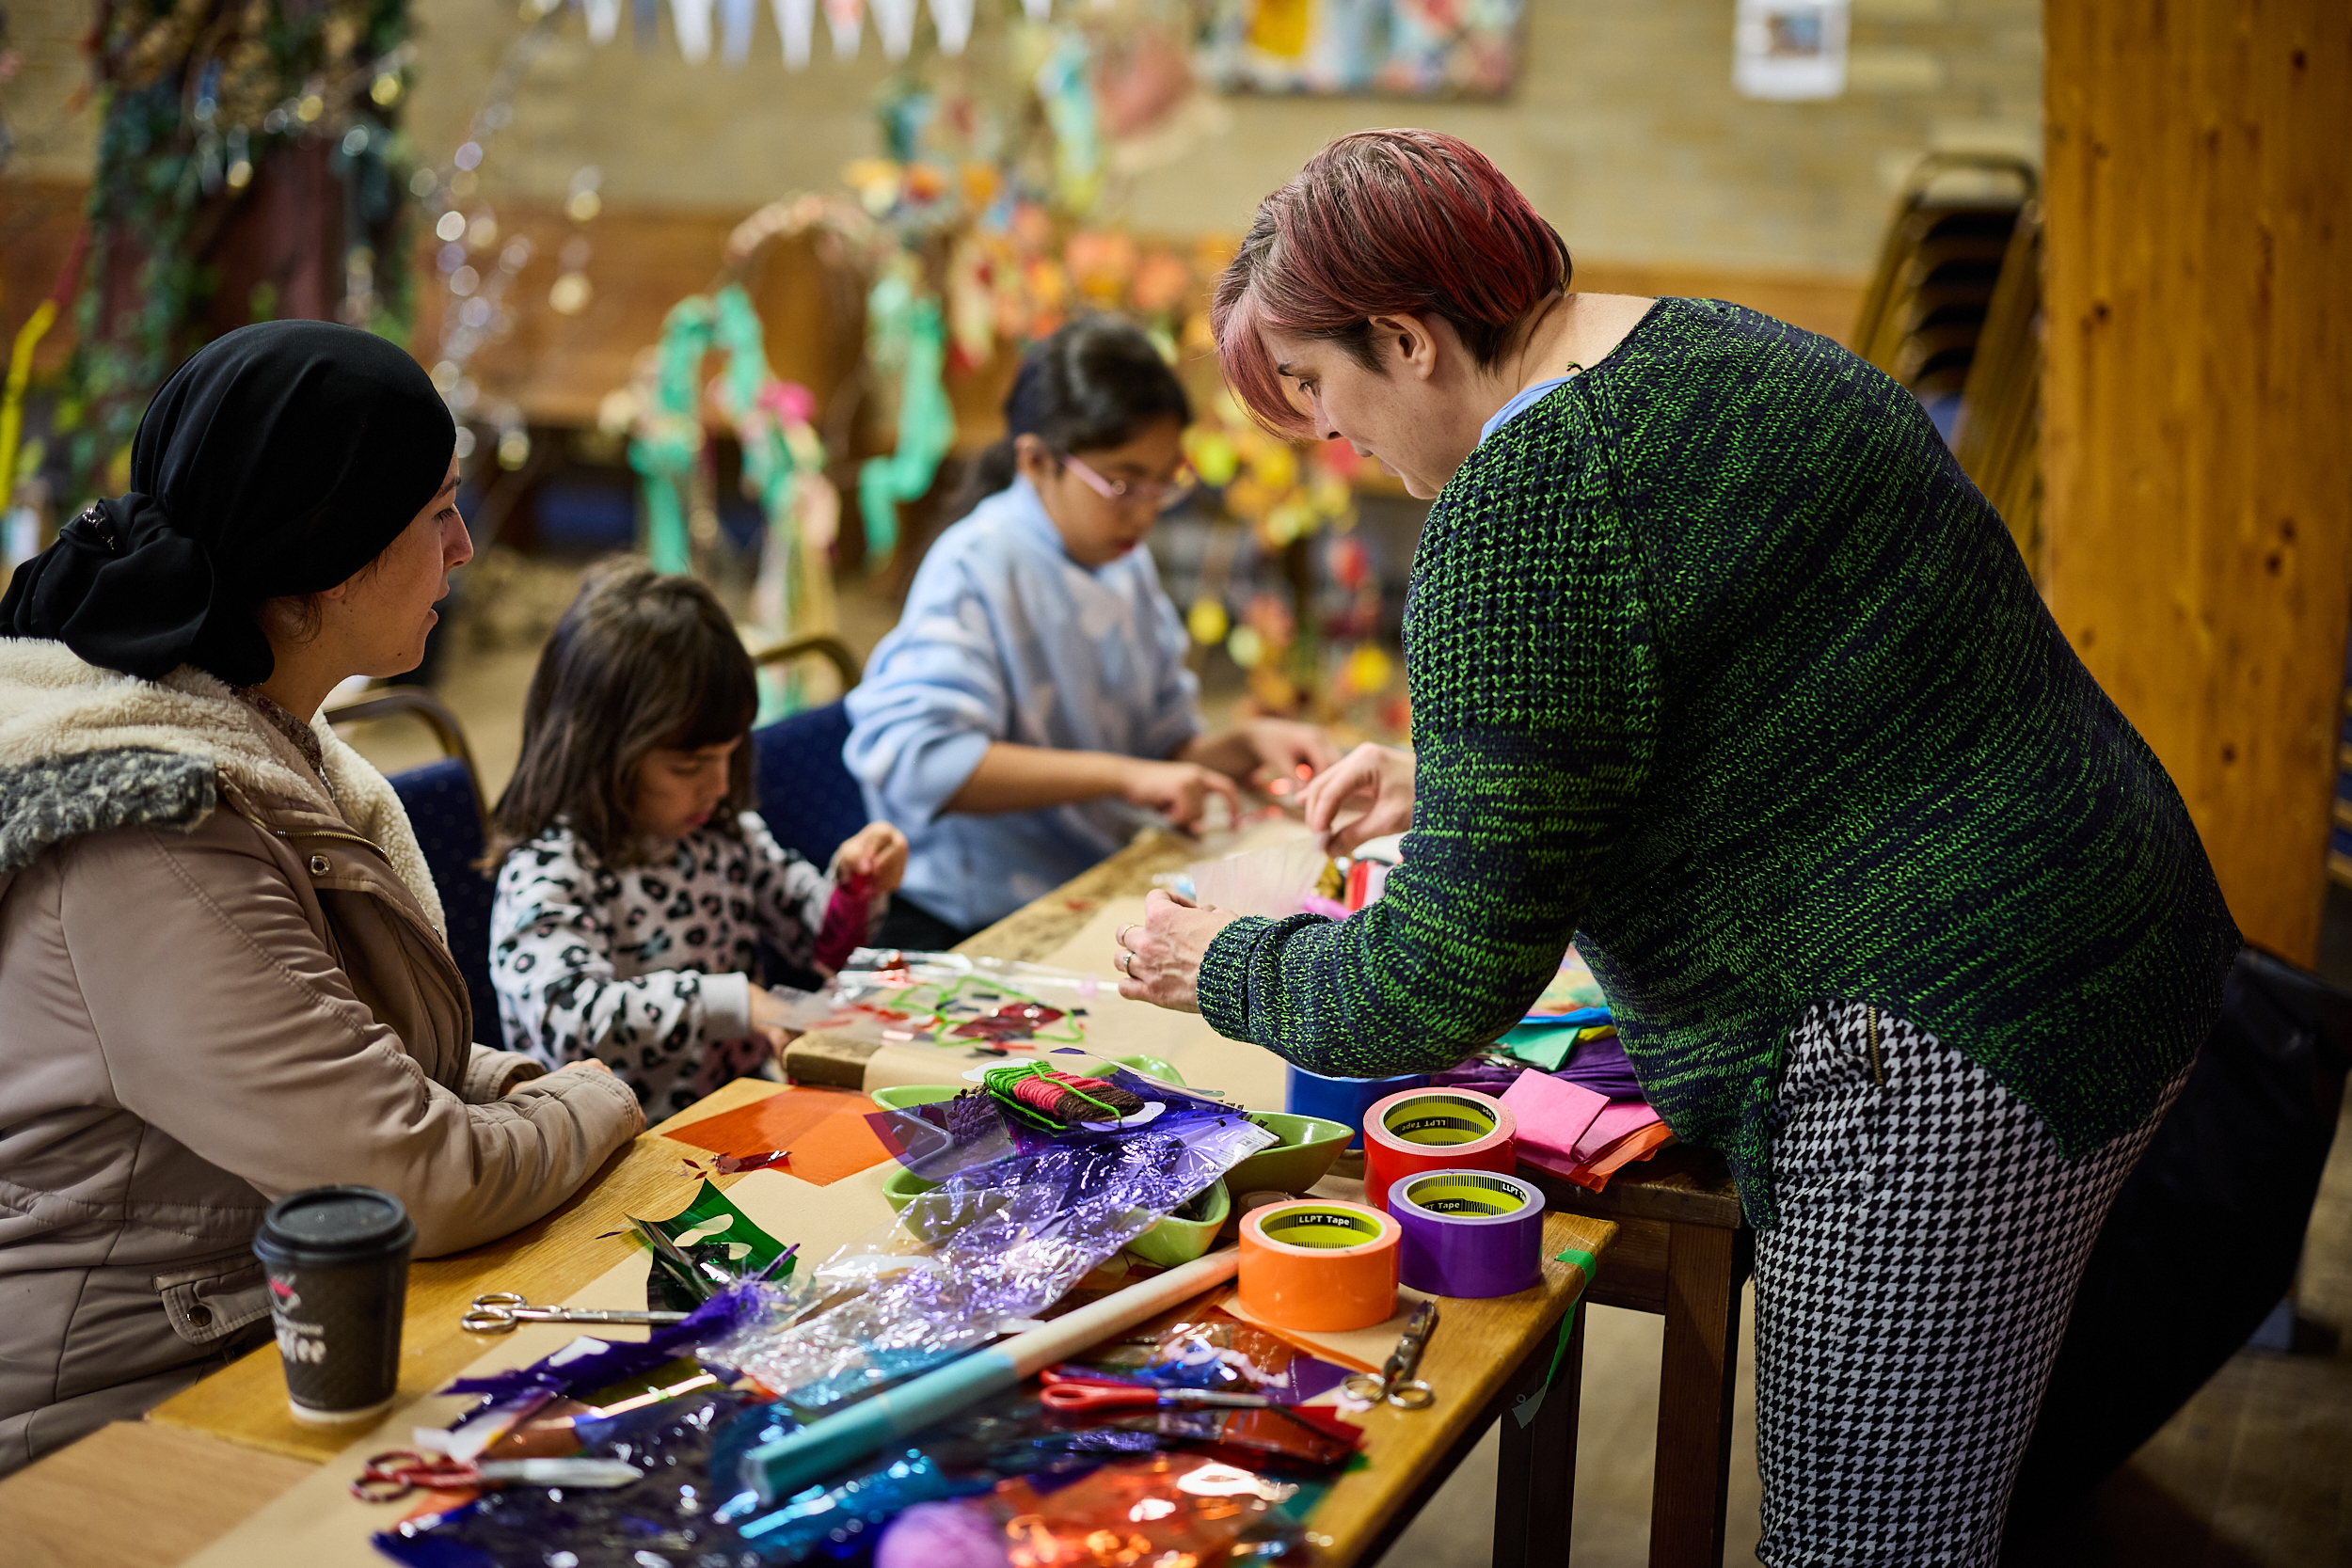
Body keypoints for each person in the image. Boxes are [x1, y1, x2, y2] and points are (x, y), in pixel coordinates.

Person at [1112, 129, 2238, 1566]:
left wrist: (1220, 960)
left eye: (1321, 391)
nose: (1341, 443)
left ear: (1404, 337)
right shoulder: (1714, 350)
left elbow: (1436, 982)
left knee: (1865, 1537)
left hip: (1950, 1039)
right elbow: (1751, 684)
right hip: (2110, 925)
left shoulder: (1519, 512)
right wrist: (1460, 778)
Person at [0, 321, 644, 1473]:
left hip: (257, 1331)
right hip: (104, 1424)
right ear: (325, 558)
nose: (465, 548)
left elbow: (351, 1062)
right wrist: (599, 1096)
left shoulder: (261, 748)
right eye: (437, 511)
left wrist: (513, 1085)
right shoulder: (153, 835)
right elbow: (415, 1176)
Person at [845, 314, 1338, 949]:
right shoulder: (976, 563)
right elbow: (923, 762)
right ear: (1036, 461)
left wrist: (1246, 744)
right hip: (968, 917)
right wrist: (1123, 778)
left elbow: (1159, 755)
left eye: (1165, 481)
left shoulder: (1121, 562)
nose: (1146, 509)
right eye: (1123, 482)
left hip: (1087, 886)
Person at [487, 561, 908, 1118]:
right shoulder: (549, 869)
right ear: (599, 754)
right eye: (689, 767)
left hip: (739, 1119)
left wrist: (856, 884)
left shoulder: (722, 833)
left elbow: (824, 947)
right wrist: (735, 1003)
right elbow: (570, 1018)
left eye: (729, 755)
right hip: (616, 1146)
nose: (720, 785)